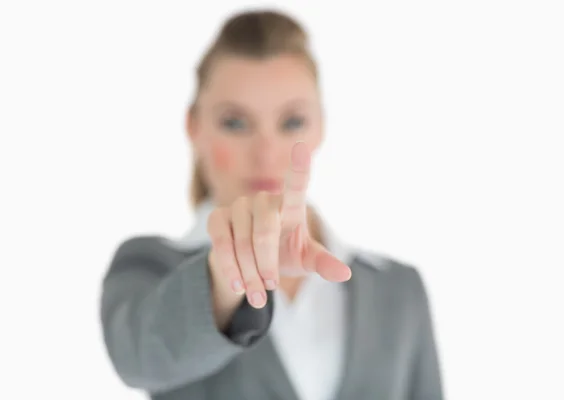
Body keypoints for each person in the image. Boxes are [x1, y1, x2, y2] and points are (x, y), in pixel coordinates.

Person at [100, 8, 444, 400]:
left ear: (320, 127)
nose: (266, 153)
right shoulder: (149, 266)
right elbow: (142, 358)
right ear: (194, 128)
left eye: (291, 122)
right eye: (235, 123)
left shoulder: (398, 289)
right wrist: (224, 278)